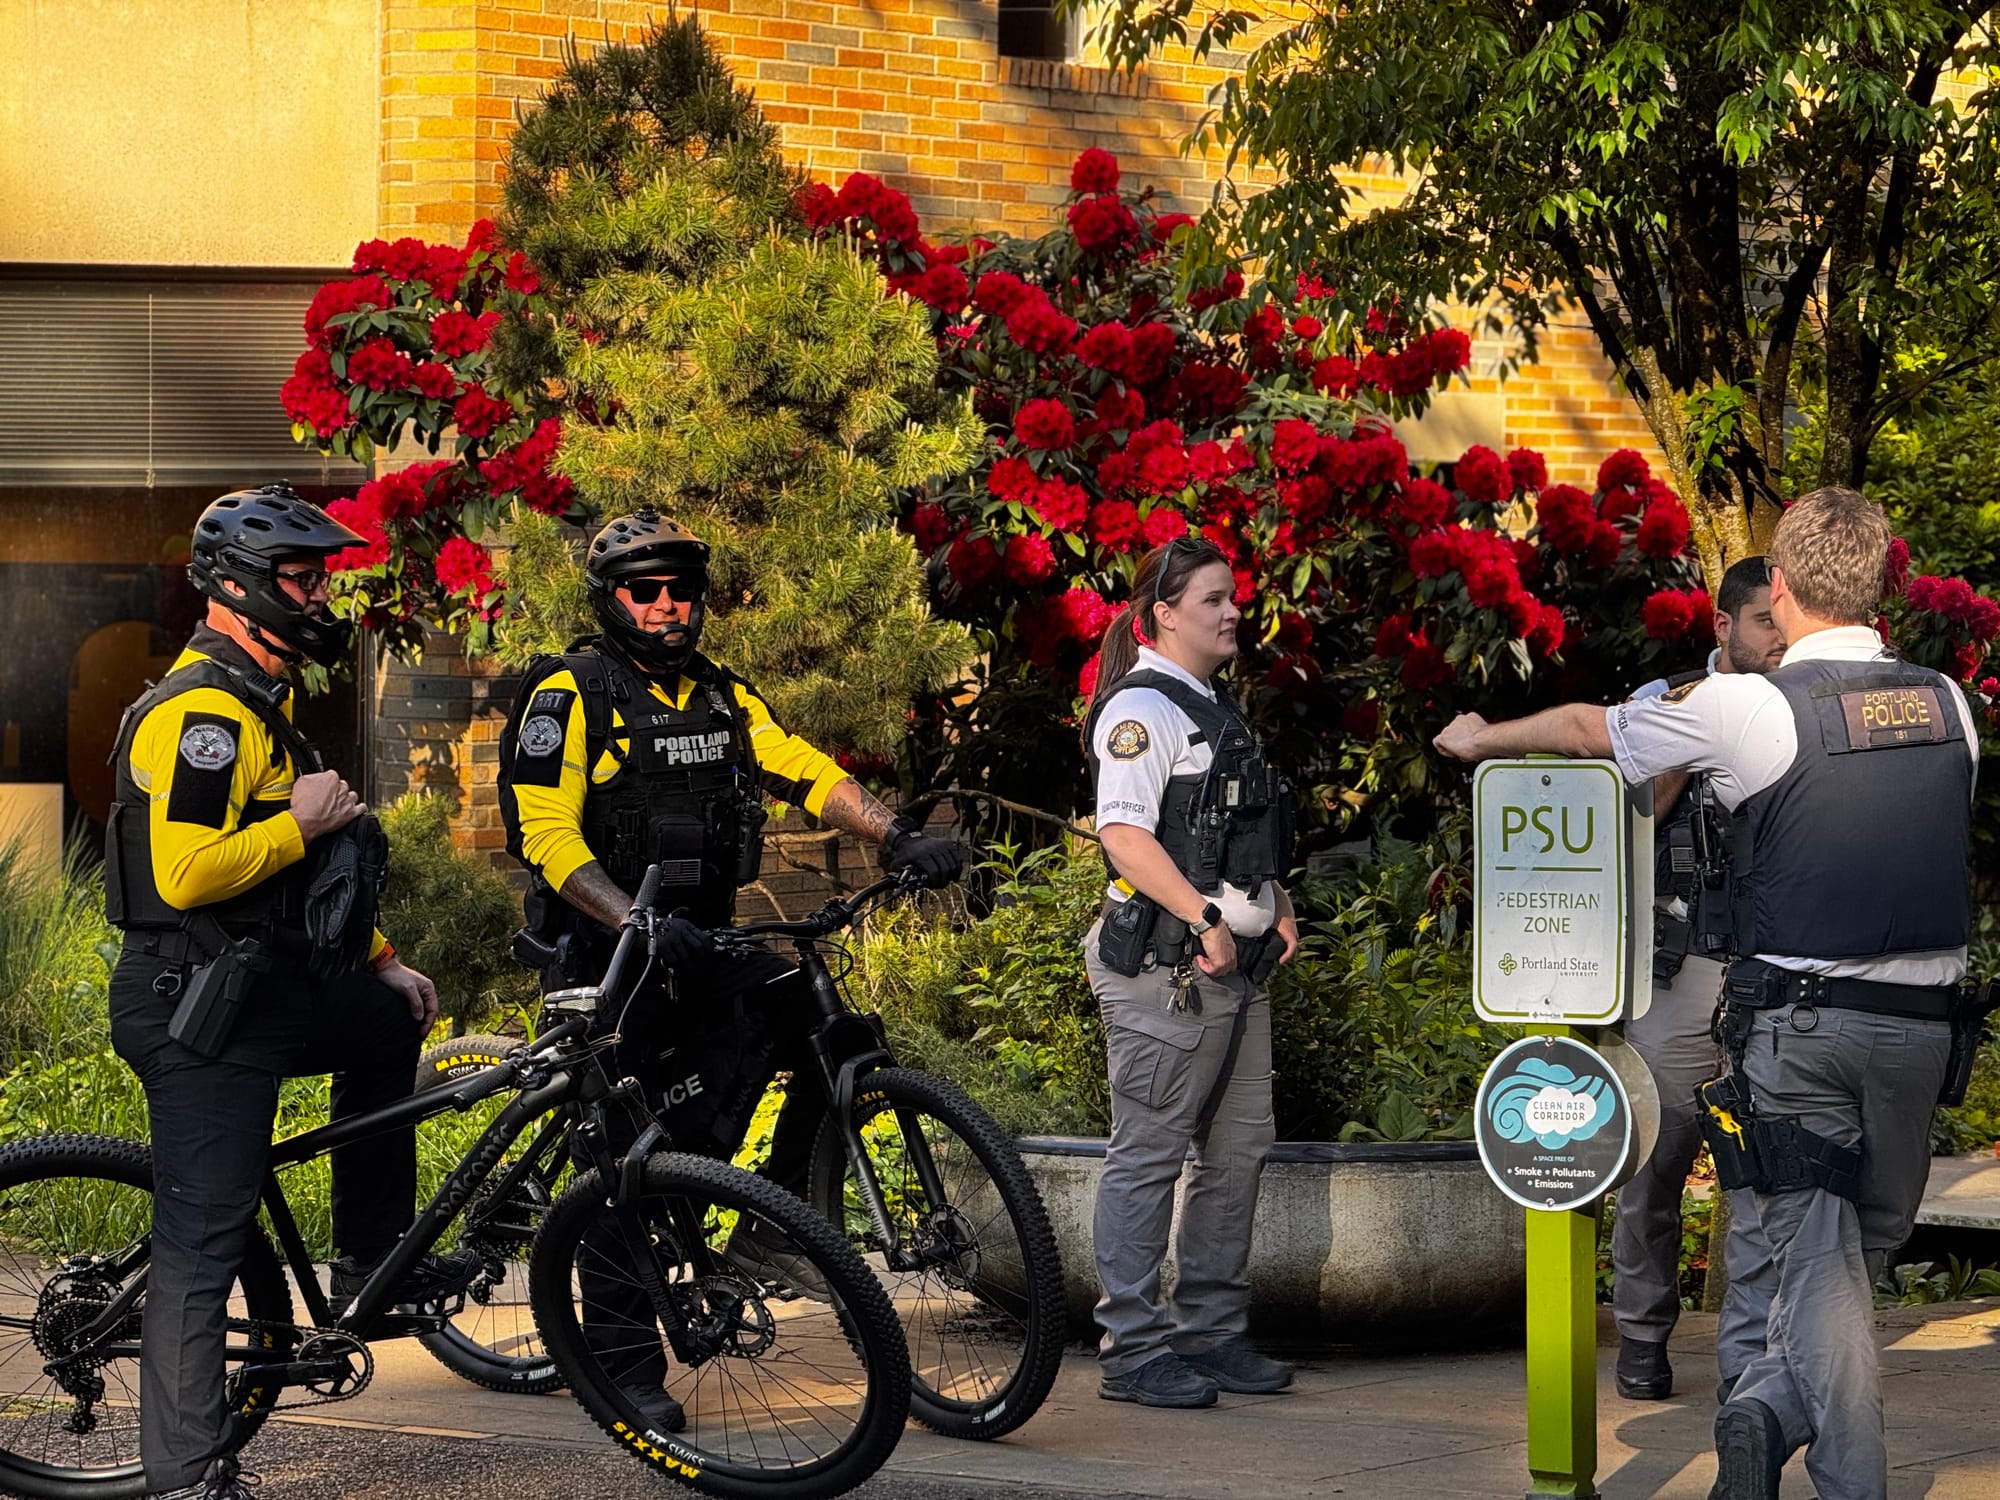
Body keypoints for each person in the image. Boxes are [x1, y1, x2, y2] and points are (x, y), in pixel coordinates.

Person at [1435, 489, 1977, 1500]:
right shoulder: (1948, 702)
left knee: (1832, 1269)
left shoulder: (1743, 705)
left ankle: (1767, 1410)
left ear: (1779, 587)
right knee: (1849, 1257)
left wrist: (1484, 733)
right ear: (1880, 583)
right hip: (1919, 1041)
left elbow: (1592, 729)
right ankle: (1834, 1466)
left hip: (1800, 1030)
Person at [497, 507, 962, 1430]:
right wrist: (633, 917)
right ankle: (624, 1367)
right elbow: (541, 831)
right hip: (609, 950)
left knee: (816, 1020)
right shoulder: (569, 692)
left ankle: (764, 1217)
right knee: (622, 1149)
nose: (667, 607)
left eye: (682, 591)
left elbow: (801, 769)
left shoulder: (718, 695)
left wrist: (899, 833)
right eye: (646, 591)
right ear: (612, 600)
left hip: (698, 941)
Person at [104, 484, 474, 1500]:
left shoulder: (263, 703)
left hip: (260, 984)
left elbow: (304, 891)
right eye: (301, 577)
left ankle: (366, 1263)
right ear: (235, 587)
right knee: (205, 1236)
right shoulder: (202, 719)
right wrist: (301, 821)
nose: (319, 594)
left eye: (320, 576)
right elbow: (185, 875)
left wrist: (381, 959)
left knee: (383, 1024)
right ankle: (185, 1475)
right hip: (193, 1003)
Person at [1080, 537, 1301, 1410]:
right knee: (1149, 1156)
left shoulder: (1210, 703)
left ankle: (1210, 1334)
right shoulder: (1142, 711)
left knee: (1238, 1151)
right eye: (1212, 598)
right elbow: (1124, 836)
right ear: (1163, 614)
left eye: (1232, 596)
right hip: (1169, 971)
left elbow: (1239, 830)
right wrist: (1203, 917)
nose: (1231, 609)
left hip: (1236, 970)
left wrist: (1274, 905)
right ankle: (1133, 1351)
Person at [1613, 557, 1785, 1403]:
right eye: (1764, 624)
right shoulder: (1661, 700)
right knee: (1652, 1165)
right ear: (1724, 627)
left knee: (1759, 1169)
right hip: (1675, 971)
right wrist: (1691, 732)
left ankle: (1750, 1358)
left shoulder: (1800, 710)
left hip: (1769, 974)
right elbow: (1627, 816)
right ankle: (1642, 1337)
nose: (1780, 642)